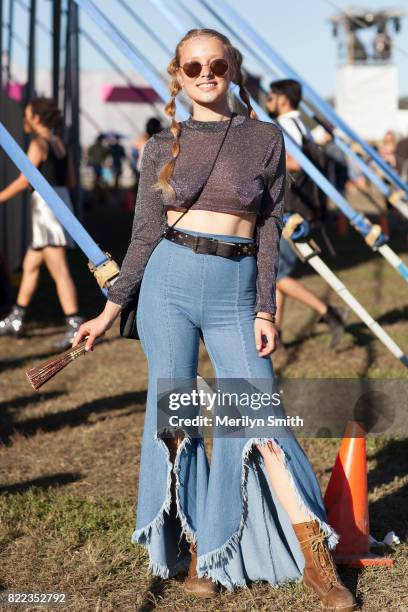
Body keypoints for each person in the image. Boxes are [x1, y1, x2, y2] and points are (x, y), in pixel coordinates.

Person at [73, 29, 357, 610]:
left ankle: (316, 562)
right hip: (167, 289)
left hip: (234, 291)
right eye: (193, 66)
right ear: (177, 75)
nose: (206, 74)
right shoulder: (159, 145)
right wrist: (107, 313)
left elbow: (271, 227)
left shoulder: (265, 138)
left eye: (217, 64)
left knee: (258, 412)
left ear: (234, 70)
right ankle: (203, 548)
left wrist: (265, 305)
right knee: (178, 420)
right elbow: (145, 236)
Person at [266, 79, 348, 349]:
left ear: (283, 99)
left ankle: (330, 312)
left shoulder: (285, 126)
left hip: (292, 210)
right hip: (304, 208)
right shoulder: (302, 124)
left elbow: (296, 163)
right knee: (279, 271)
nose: (267, 101)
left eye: (271, 96)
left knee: (275, 274)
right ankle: (276, 335)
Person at [0, 97, 84, 349]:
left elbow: (25, 180)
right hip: (60, 204)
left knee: (59, 270)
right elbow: (69, 181)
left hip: (46, 210)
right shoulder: (61, 144)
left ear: (36, 117)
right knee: (31, 265)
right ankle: (17, 318)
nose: (25, 118)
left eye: (27, 114)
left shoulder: (38, 143)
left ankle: (74, 324)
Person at [130, 117, 163, 192]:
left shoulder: (142, 138)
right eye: (159, 127)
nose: (161, 129)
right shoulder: (148, 140)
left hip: (140, 170)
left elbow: (134, 155)